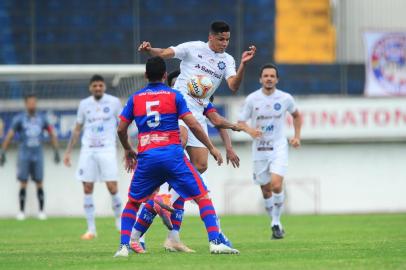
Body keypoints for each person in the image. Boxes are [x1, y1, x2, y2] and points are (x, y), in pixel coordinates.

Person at [138, 20, 256, 249]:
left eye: (227, 40)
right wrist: (149, 50)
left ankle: (165, 201)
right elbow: (165, 53)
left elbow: (233, 86)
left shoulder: (228, 61)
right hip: (178, 104)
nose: (224, 43)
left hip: (198, 110)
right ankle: (160, 200)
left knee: (200, 166)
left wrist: (243, 65)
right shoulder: (193, 48)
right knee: (178, 143)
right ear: (210, 37)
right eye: (221, 39)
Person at [114, 56, 239, 257]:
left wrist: (128, 149)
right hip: (173, 156)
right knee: (202, 196)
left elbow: (120, 129)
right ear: (165, 75)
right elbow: (194, 125)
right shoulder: (174, 96)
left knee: (133, 203)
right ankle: (215, 242)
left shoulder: (135, 98)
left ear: (146, 75)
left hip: (147, 157)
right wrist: (212, 147)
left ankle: (123, 247)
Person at [238, 64, 302, 239]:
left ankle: (275, 221)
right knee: (266, 190)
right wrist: (250, 131)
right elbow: (240, 122)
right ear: (260, 79)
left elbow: (297, 115)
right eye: (265, 75)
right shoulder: (252, 99)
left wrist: (297, 136)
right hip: (259, 149)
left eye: (272, 76)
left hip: (278, 147)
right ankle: (275, 223)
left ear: (277, 79)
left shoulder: (285, 98)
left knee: (275, 184)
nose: (269, 78)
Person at [63, 75, 123, 240]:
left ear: (104, 87)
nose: (97, 88)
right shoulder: (84, 104)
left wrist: (127, 149)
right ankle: (91, 229)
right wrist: (68, 152)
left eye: (100, 85)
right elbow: (77, 128)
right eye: (95, 85)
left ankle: (119, 222)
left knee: (112, 187)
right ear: (90, 88)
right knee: (87, 188)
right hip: (88, 150)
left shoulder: (114, 102)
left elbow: (122, 125)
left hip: (107, 149)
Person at [0, 94, 60, 220]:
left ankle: (41, 211)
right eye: (30, 103)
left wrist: (56, 150)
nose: (32, 105)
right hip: (24, 155)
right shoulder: (19, 119)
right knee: (23, 182)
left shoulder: (42, 119)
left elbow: (51, 133)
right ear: (26, 104)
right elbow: (10, 135)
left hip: (38, 154)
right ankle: (21, 211)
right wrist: (3, 151)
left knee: (39, 182)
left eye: (34, 103)